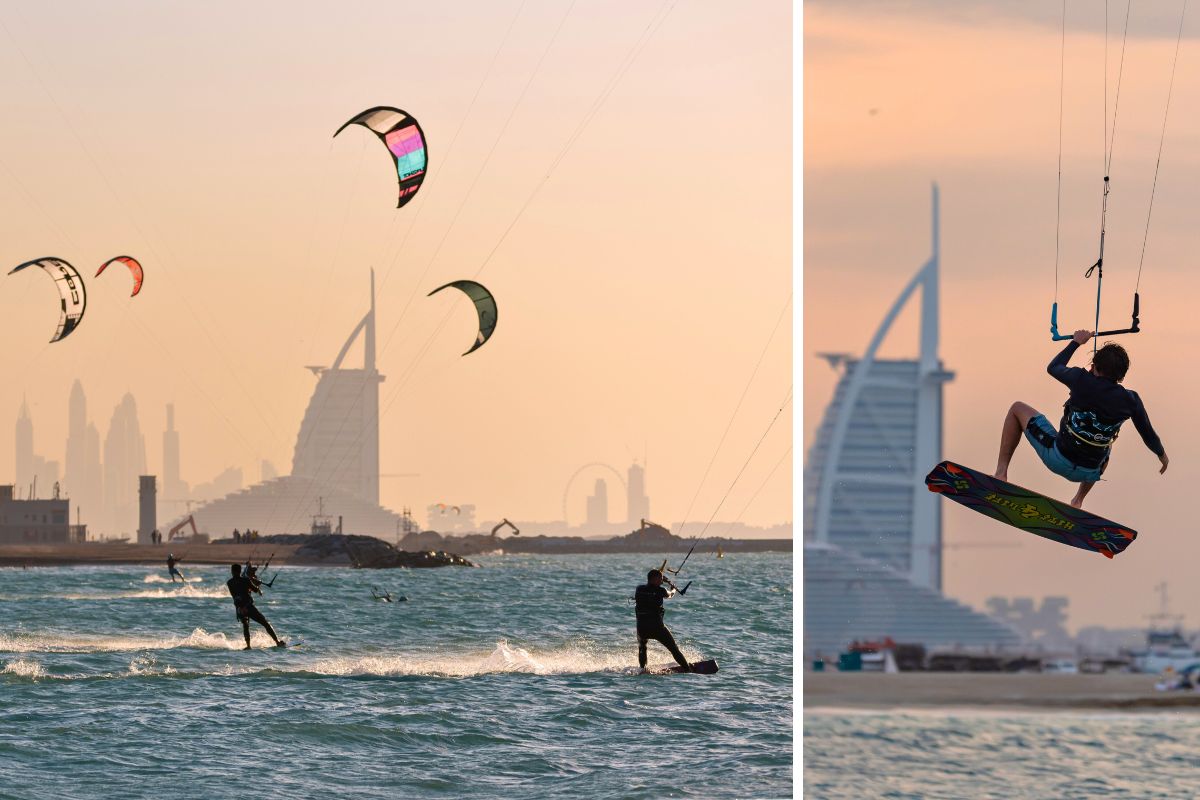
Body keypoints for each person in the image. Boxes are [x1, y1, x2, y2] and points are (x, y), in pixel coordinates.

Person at [993, 329, 1168, 508]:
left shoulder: (1080, 379)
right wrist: (1162, 455)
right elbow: (1148, 435)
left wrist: (1076, 342)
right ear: (1121, 377)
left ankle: (1000, 474)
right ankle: (1078, 500)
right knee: (1106, 444)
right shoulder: (1131, 400)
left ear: (1094, 366)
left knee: (1016, 408)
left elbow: (1053, 367)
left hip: (1057, 458)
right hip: (1090, 472)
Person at [634, 568, 690, 673]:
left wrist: (660, 578)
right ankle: (687, 669)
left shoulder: (639, 589)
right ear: (654, 579)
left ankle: (642, 670)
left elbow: (651, 587)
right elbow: (670, 594)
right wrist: (673, 589)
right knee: (674, 649)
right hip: (657, 628)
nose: (661, 581)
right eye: (660, 579)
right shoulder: (661, 590)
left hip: (642, 627)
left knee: (642, 647)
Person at [226, 563, 285, 649]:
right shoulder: (245, 580)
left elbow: (235, 595)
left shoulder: (229, 582)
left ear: (232, 571)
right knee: (265, 623)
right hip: (248, 607)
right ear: (240, 571)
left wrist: (240, 607)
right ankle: (277, 642)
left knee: (245, 626)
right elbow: (255, 590)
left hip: (239, 608)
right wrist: (258, 584)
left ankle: (248, 646)